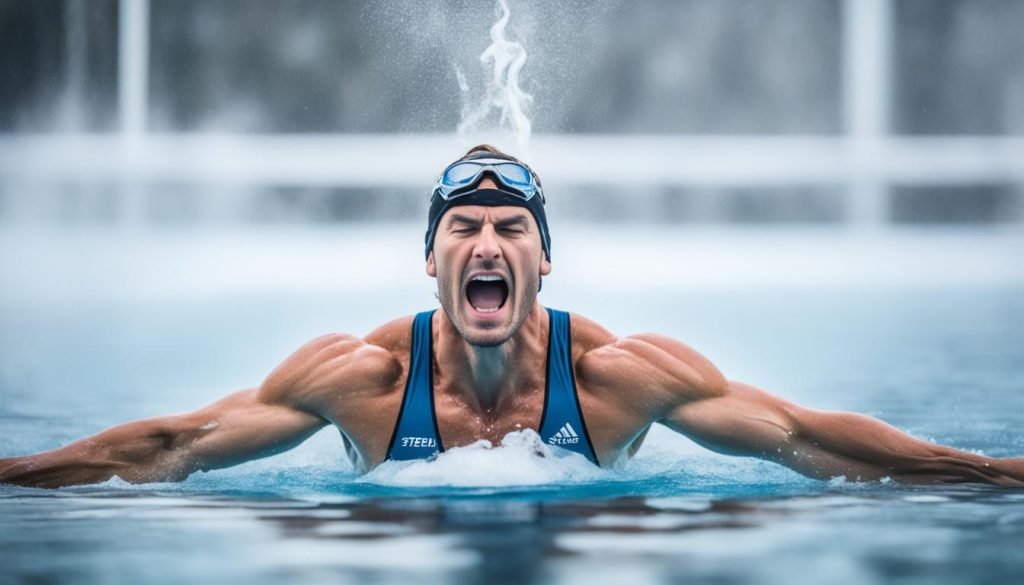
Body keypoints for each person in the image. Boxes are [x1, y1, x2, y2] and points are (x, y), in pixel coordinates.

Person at [2, 144, 1022, 489]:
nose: (486, 243)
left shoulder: (619, 375)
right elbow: (175, 446)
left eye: (509, 228)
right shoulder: (361, 380)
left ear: (543, 260)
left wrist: (991, 473)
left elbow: (803, 438)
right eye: (463, 227)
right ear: (431, 259)